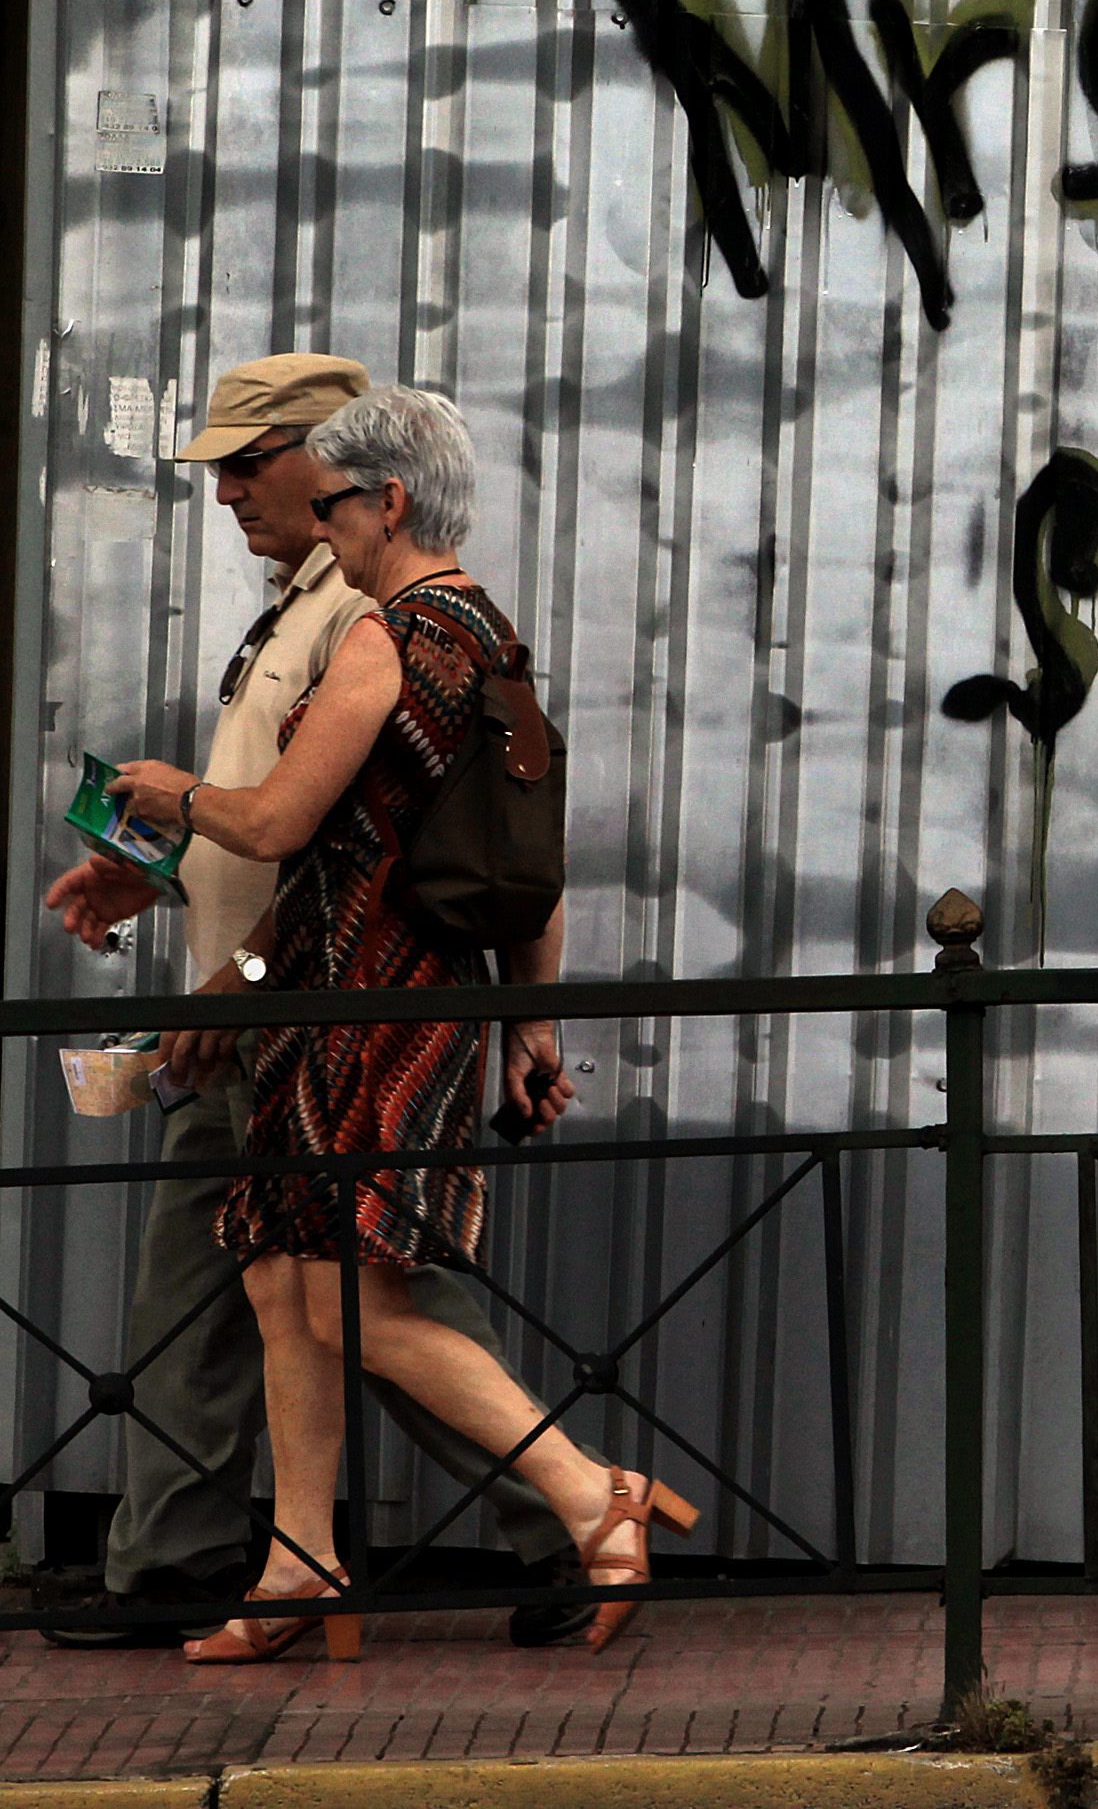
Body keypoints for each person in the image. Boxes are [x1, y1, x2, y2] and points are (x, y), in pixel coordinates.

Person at [107, 387, 695, 1664]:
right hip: (401, 1005)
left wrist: (172, 793)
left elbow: (272, 827)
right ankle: (303, 1561)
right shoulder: (496, 642)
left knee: (347, 1304)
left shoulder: (385, 639)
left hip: (361, 1010)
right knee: (277, 1277)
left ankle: (594, 1496)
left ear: (392, 501)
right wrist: (529, 1031)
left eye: (332, 504)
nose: (322, 525)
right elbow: (526, 866)